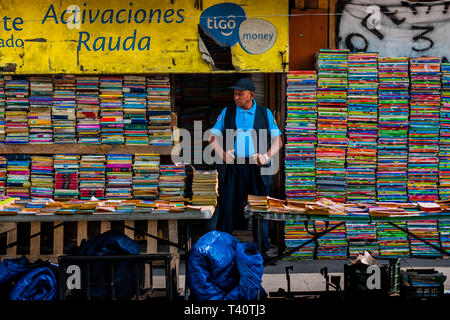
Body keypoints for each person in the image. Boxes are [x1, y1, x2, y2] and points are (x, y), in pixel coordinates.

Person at [209, 77, 283, 262]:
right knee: (228, 208)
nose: (236, 98)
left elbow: (278, 140)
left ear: (251, 94)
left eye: (240, 94)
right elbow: (212, 136)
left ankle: (262, 252)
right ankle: (223, 252)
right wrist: (222, 153)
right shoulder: (227, 112)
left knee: (260, 209)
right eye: (234, 94)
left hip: (257, 168)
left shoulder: (264, 113)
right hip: (233, 167)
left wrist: (266, 156)